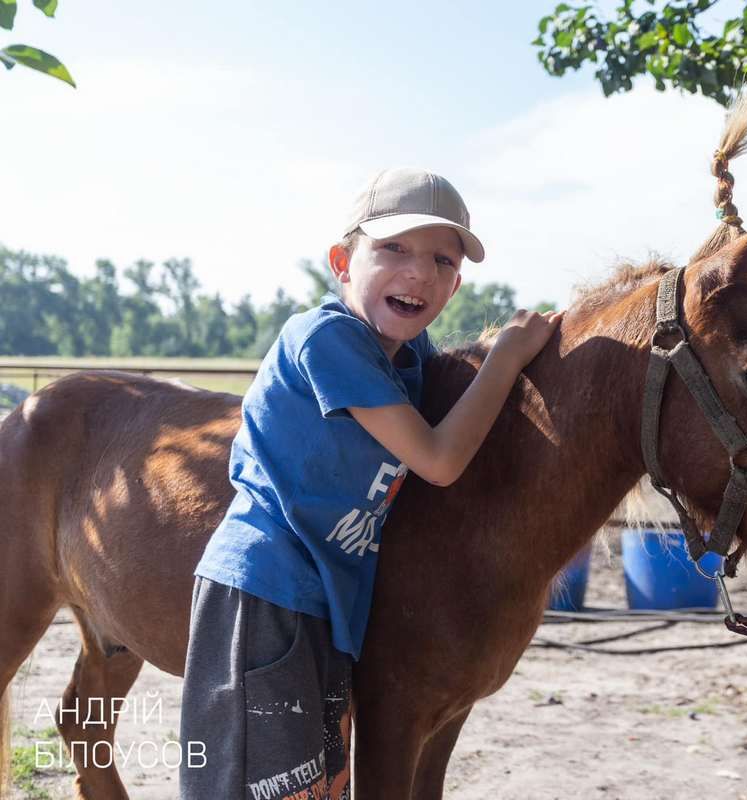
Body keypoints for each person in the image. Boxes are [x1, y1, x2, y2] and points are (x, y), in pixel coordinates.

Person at [179, 168, 562, 800]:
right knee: (263, 786)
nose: (420, 274)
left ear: (455, 285)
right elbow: (438, 459)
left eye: (442, 260)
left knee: (318, 786)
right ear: (341, 262)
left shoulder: (406, 359)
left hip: (327, 602)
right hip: (266, 590)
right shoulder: (326, 338)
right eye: (393, 249)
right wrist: (507, 358)